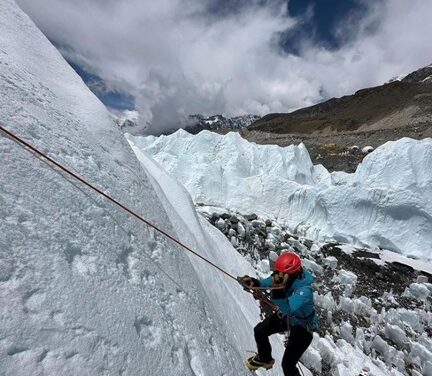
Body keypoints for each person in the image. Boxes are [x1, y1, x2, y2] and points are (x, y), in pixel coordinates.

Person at [239, 252, 317, 376]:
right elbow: (265, 283)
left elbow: (287, 308)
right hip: (288, 318)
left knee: (288, 365)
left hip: (302, 327)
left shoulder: (305, 291)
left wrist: (278, 292)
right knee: (260, 331)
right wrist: (253, 283)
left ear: (292, 274)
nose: (278, 276)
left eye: (282, 273)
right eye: (278, 272)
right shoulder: (284, 277)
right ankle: (265, 358)